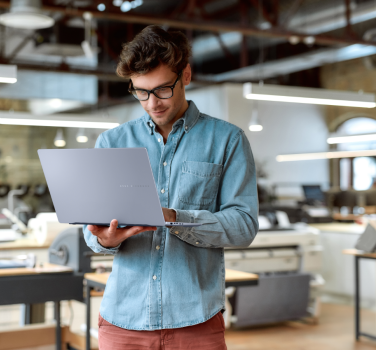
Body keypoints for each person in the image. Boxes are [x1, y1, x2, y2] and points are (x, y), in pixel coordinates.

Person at [84, 25, 258, 350]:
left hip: (195, 321)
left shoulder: (227, 141)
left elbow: (244, 226)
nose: (152, 103)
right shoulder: (112, 142)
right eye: (141, 92)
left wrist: (174, 217)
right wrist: (104, 239)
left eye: (163, 89)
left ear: (186, 75)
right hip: (123, 321)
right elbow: (89, 231)